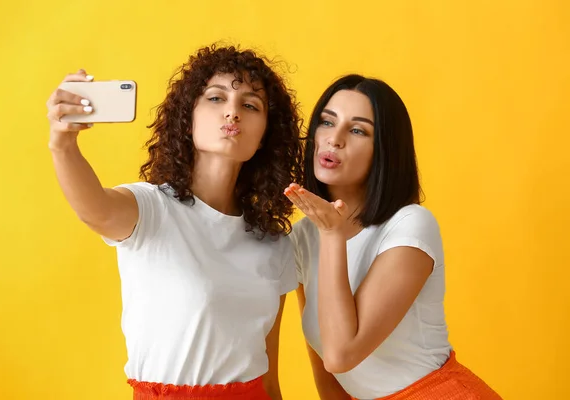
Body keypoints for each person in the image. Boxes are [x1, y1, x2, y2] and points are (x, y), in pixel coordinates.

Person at [46, 44, 304, 400]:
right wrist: (63, 144)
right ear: (189, 119)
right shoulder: (152, 209)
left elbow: (270, 380)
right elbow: (95, 210)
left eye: (249, 104)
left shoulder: (274, 244)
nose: (232, 112)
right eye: (216, 98)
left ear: (264, 137)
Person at [285, 74, 502, 400]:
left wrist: (333, 233)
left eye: (357, 130)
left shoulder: (410, 225)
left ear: (384, 150)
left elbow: (341, 354)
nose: (335, 139)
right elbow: (328, 375)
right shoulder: (304, 236)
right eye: (327, 122)